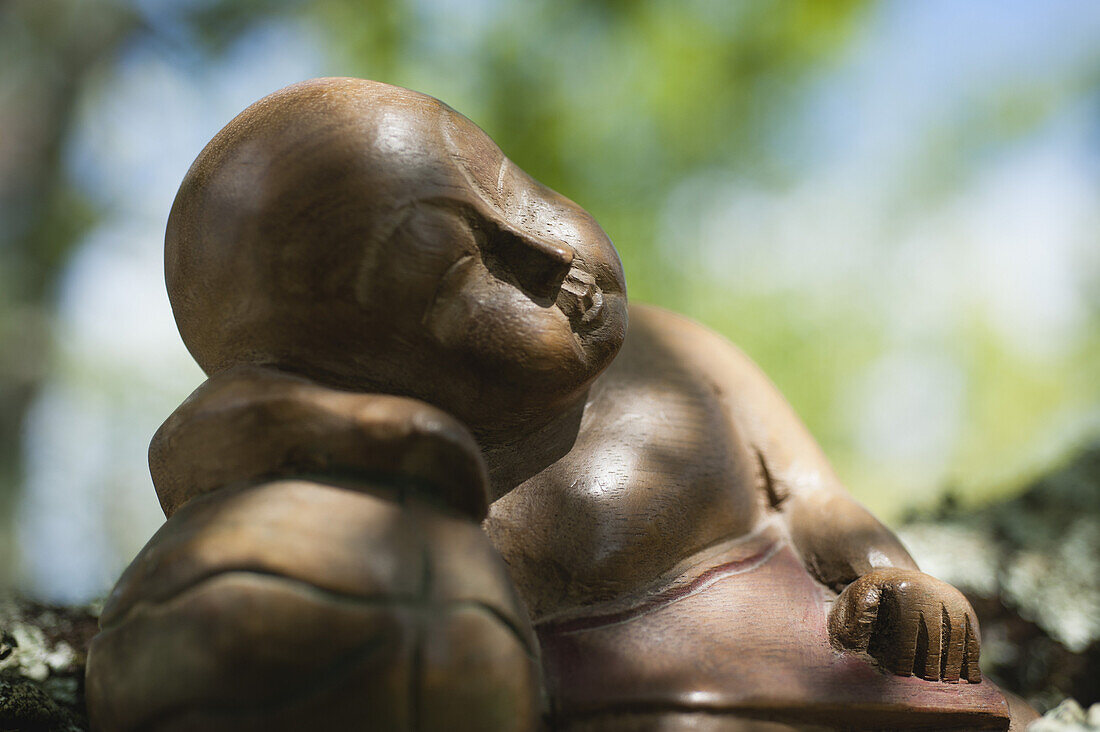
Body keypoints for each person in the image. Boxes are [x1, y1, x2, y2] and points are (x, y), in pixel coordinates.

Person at [91, 78, 1032, 730]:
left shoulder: (685, 351)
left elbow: (815, 499)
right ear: (361, 370)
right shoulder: (428, 490)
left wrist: (894, 579)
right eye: (460, 274)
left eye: (507, 185)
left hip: (829, 675)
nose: (546, 259)